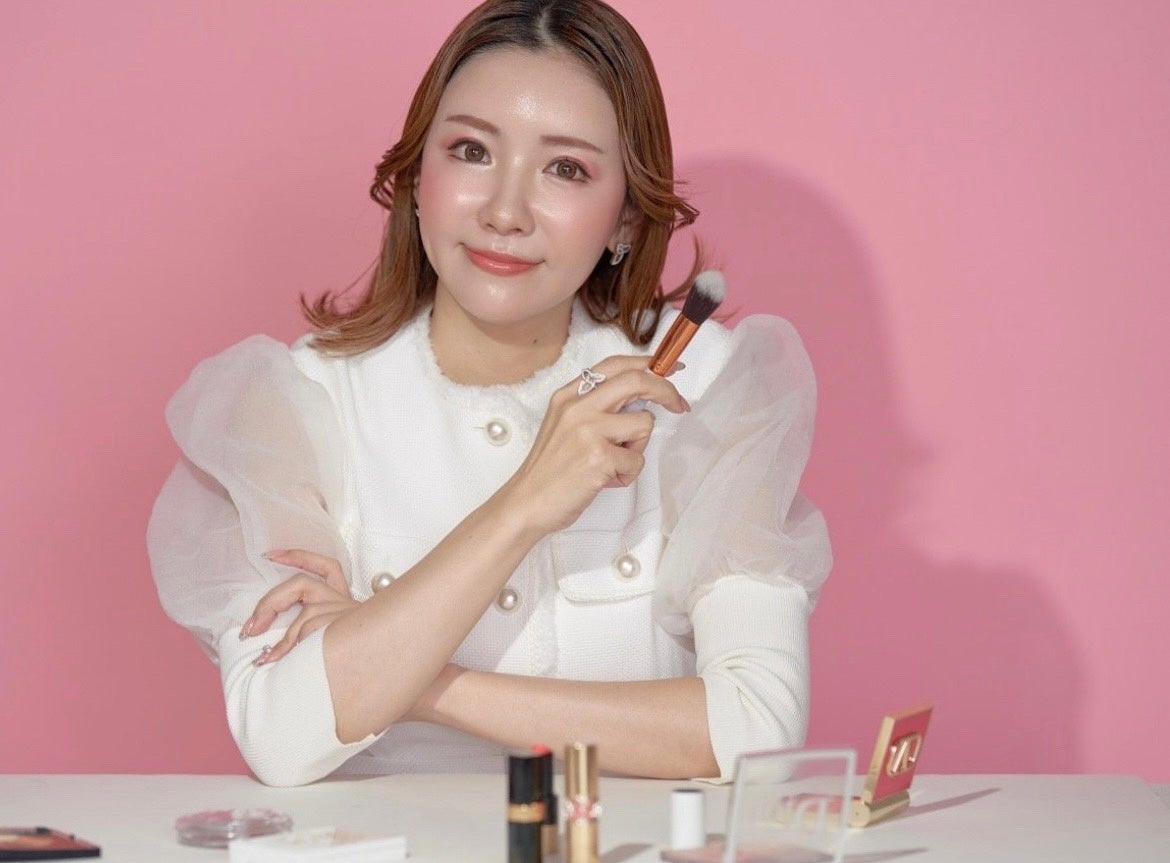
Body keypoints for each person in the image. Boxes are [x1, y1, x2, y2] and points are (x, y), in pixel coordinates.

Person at [148, 0, 831, 788]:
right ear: (416, 179)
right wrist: (525, 503)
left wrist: (414, 683)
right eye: (471, 151)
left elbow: (755, 732)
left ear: (625, 219)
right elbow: (280, 732)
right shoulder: (294, 403)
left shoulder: (706, 387)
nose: (505, 212)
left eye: (565, 168)